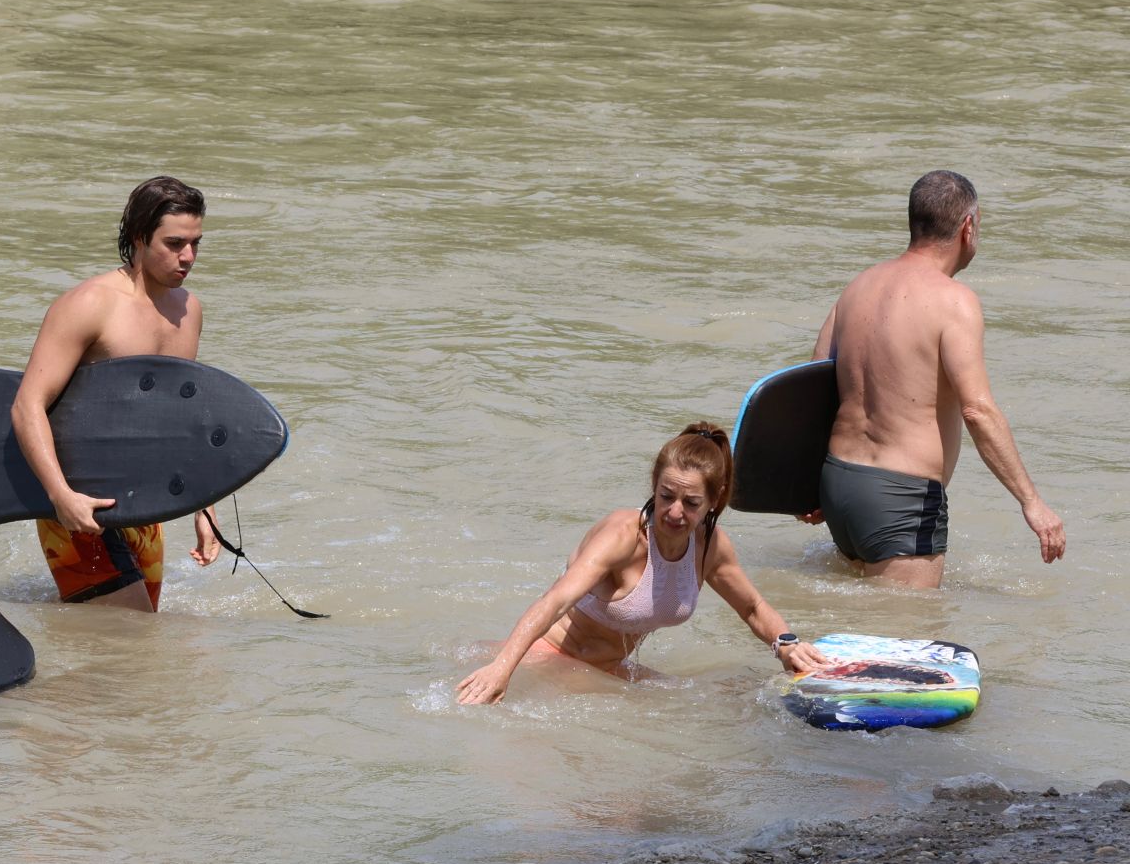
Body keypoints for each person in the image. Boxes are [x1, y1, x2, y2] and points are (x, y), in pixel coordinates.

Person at [801, 170, 1066, 588]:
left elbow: (811, 389)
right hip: (901, 497)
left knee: (852, 633)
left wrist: (803, 484)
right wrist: (1032, 502)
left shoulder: (856, 289)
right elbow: (977, 410)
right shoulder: (954, 302)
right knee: (906, 642)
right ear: (968, 227)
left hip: (837, 483)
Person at [457, 423, 829, 705]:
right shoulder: (624, 537)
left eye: (692, 502)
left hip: (610, 670)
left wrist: (786, 644)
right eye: (666, 496)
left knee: (732, 698)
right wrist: (500, 669)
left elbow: (752, 606)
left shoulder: (709, 547)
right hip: (552, 659)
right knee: (682, 713)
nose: (675, 512)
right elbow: (554, 601)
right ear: (654, 484)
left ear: (715, 501)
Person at [10, 176, 225, 610]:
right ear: (138, 238)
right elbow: (27, 404)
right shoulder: (90, 305)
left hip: (143, 502)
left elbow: (182, 416)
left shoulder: (188, 311)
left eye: (196, 243)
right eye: (174, 243)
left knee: (127, 644)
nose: (188, 257)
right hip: (78, 496)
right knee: (130, 626)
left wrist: (204, 506)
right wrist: (59, 496)